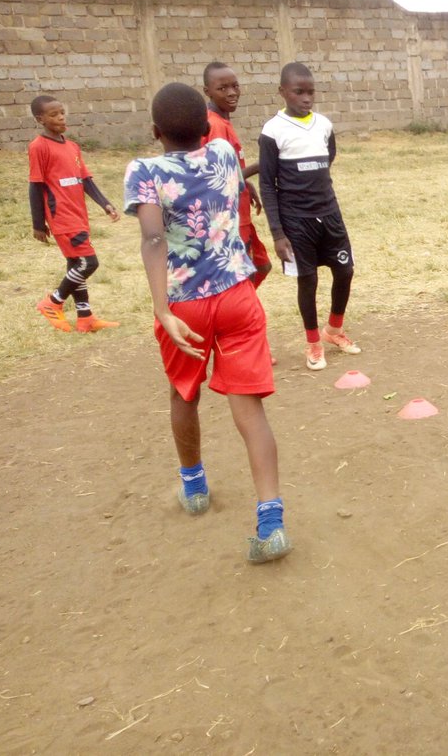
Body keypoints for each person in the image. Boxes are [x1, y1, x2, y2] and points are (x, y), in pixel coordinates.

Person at [123, 82, 291, 564]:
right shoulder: (220, 152)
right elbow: (235, 168)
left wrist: (162, 310)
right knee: (250, 410)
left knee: (184, 392)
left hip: (186, 306)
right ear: (205, 126)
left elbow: (153, 240)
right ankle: (271, 522)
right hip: (238, 297)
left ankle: (194, 488)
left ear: (155, 131)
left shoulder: (144, 172)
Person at [258, 62, 360, 370]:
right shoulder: (272, 131)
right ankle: (314, 343)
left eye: (310, 92)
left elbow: (328, 157)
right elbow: (267, 183)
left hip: (329, 213)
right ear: (283, 92)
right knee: (308, 280)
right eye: (298, 92)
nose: (306, 98)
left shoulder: (324, 125)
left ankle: (334, 330)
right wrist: (277, 233)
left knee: (345, 271)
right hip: (295, 221)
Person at [28, 95, 121, 334]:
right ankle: (53, 301)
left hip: (79, 215)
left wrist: (105, 204)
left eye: (62, 112)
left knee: (75, 263)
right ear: (40, 119)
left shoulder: (72, 146)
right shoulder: (38, 147)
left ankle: (85, 318)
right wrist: (38, 224)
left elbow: (85, 180)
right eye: (53, 114)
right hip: (62, 218)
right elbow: (35, 186)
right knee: (89, 262)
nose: (60, 117)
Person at [202, 61, 271, 288]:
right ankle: (239, 317)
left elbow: (231, 169)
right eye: (222, 89)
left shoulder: (223, 122)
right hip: (230, 215)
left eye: (235, 86)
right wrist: (261, 165)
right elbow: (218, 178)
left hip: (240, 209)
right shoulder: (215, 126)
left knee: (261, 265)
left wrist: (246, 184)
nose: (232, 93)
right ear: (207, 92)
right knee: (244, 273)